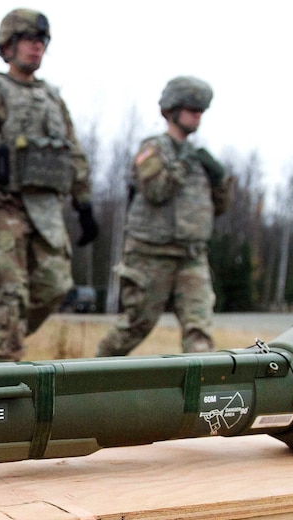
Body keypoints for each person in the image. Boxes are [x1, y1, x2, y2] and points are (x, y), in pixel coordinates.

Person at [0, 8, 98, 362]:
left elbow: (72, 151)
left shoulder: (52, 99)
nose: (36, 48)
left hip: (47, 208)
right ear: (8, 46)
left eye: (41, 41)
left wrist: (84, 202)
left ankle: (3, 334)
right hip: (5, 205)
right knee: (10, 288)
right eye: (28, 40)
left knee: (57, 286)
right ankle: (7, 364)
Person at [95, 76, 232, 357]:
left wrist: (220, 180)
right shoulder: (153, 149)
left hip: (191, 255)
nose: (198, 116)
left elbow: (217, 208)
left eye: (201, 111)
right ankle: (85, 381)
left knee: (199, 330)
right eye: (192, 109)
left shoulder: (199, 158)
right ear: (172, 111)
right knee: (136, 325)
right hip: (150, 255)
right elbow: (156, 191)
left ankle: (204, 395)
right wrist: (182, 164)